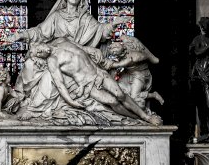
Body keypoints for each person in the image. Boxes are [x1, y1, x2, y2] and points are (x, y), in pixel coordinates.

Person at [33, 41, 163, 125]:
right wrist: (71, 101)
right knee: (112, 102)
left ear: (42, 44)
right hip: (88, 85)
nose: (40, 52)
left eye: (38, 49)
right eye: (38, 54)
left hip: (99, 73)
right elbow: (60, 84)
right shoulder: (52, 61)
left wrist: (93, 51)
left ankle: (145, 117)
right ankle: (137, 118)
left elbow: (82, 48)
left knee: (121, 94)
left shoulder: (61, 41)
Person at [100, 35, 164, 112]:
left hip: (140, 75)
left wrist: (112, 65)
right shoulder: (120, 55)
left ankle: (154, 95)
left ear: (123, 46)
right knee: (119, 91)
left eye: (116, 46)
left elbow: (125, 62)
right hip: (127, 74)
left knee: (134, 96)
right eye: (112, 50)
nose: (114, 49)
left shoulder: (133, 54)